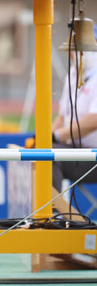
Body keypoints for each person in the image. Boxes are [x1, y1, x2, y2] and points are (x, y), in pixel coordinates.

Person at [51, 51, 97, 196]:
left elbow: (93, 120)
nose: (71, 53)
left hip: (93, 155)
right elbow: (62, 117)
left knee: (48, 157)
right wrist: (42, 138)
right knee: (40, 152)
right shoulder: (72, 74)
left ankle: (52, 213)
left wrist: (55, 136)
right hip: (78, 150)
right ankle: (46, 212)